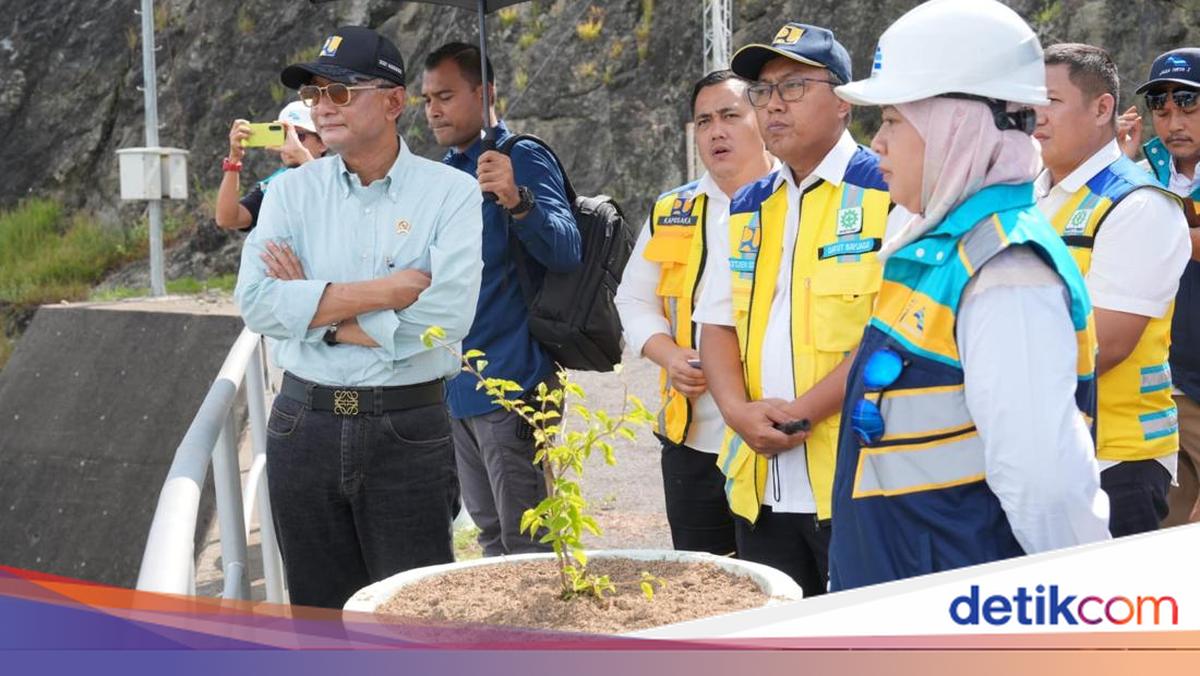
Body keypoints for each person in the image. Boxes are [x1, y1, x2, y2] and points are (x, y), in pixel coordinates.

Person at [828, 0, 1110, 591]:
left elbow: (1046, 486)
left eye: (894, 120)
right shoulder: (941, 249)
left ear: (955, 128)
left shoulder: (1006, 269)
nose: (876, 144)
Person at [234, 26, 483, 608]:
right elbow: (258, 301)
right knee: (318, 615)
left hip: (407, 426)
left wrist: (317, 313)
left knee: (413, 617)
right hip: (303, 423)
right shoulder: (292, 192)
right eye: (316, 93)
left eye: (340, 92)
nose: (322, 106)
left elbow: (447, 317)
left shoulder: (451, 193)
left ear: (395, 102)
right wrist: (387, 290)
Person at [692, 23, 899, 597]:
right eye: (761, 90)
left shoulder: (887, 191)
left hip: (855, 479)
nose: (772, 104)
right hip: (760, 483)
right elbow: (716, 323)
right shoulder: (748, 204)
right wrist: (735, 411)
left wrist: (800, 413)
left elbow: (891, 335)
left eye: (793, 86)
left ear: (844, 99)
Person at [421, 42, 580, 557]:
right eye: (426, 99)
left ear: (485, 93)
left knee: (527, 542)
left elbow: (567, 248)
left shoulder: (519, 157)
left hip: (513, 382)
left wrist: (518, 200)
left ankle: (540, 638)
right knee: (489, 536)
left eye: (445, 95)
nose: (434, 110)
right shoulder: (447, 172)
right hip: (460, 384)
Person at [614, 69, 775, 556]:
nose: (716, 131)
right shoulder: (674, 209)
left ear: (762, 118)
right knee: (702, 584)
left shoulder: (796, 200)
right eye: (703, 121)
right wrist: (669, 356)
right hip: (692, 443)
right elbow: (633, 299)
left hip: (770, 439)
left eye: (730, 115)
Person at [1034, 43, 1190, 537]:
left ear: (1102, 109)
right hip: (1037, 455)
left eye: (1050, 101)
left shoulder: (1138, 203)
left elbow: (1109, 342)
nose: (1034, 115)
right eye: (1027, 101)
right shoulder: (1029, 196)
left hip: (1114, 461)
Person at [1125, 49, 1200, 527]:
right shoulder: (1142, 173)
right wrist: (1116, 165)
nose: (1173, 121)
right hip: (1163, 390)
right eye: (1161, 107)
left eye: (1188, 105)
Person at [216, 101, 327, 231]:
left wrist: (302, 155)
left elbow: (333, 200)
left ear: (323, 143)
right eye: (283, 136)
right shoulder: (274, 184)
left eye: (298, 136)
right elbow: (228, 219)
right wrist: (234, 160)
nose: (290, 142)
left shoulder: (342, 174)